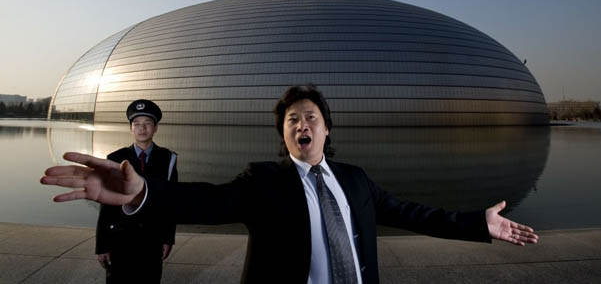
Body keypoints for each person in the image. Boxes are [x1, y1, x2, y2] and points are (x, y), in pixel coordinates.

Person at [41, 85, 538, 284]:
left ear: (326, 129)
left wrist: (480, 223)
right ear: (284, 133)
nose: (303, 124)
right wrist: (143, 194)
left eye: (312, 117)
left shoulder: (356, 180)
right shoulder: (263, 181)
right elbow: (207, 199)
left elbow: (414, 214)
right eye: (293, 119)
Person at [95, 99, 177, 284]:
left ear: (155, 128)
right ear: (131, 128)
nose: (142, 129)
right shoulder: (115, 158)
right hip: (120, 239)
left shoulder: (168, 159)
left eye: (148, 124)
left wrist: (168, 238)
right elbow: (107, 205)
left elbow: (170, 203)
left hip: (152, 238)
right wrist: (102, 245)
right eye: (137, 124)